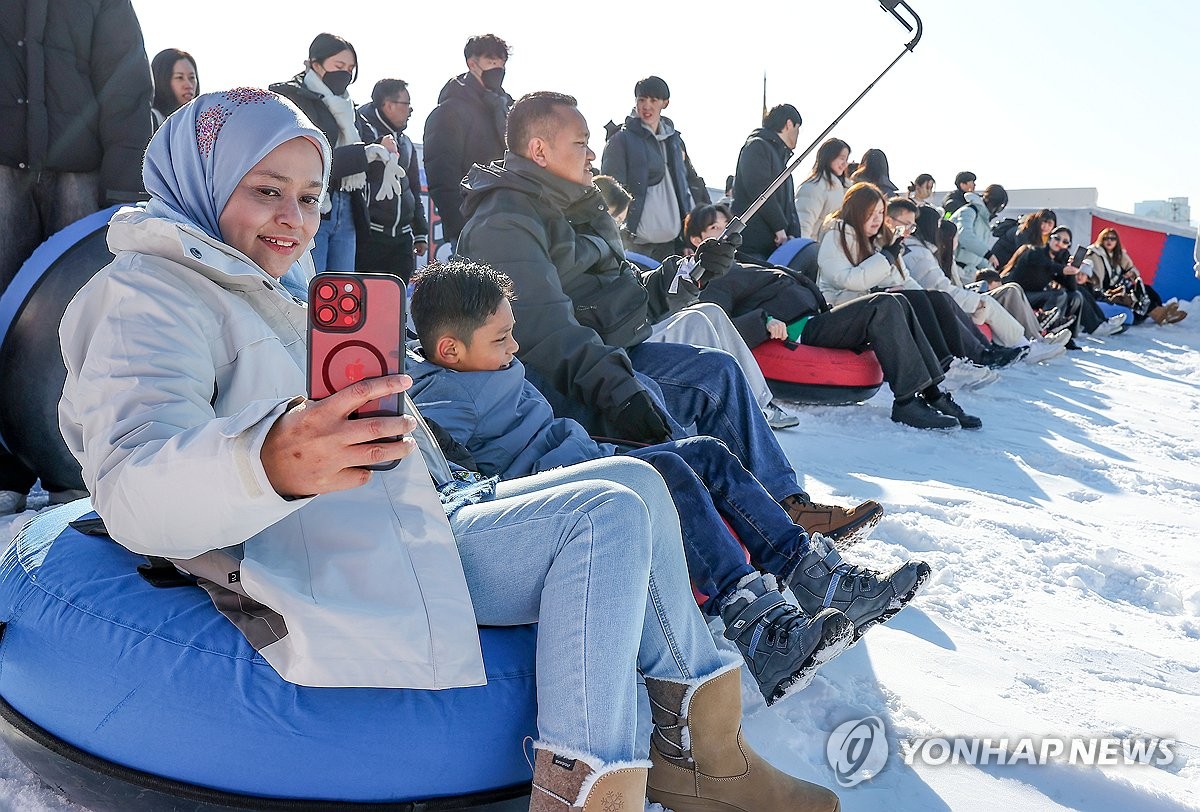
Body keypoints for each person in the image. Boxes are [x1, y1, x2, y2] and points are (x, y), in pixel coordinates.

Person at [56, 88, 841, 812]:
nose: (293, 220)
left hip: (419, 503)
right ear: (202, 175)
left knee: (638, 478)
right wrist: (267, 462)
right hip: (338, 545)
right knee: (602, 516)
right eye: (266, 190)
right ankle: (589, 793)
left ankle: (705, 751)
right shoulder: (149, 295)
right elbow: (130, 483)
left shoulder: (275, 287)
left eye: (307, 198)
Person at [407, 260, 932, 705]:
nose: (515, 346)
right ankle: (758, 626)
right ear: (450, 349)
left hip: (587, 455)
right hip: (557, 491)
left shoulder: (481, 365)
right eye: (502, 339)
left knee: (706, 453)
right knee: (674, 475)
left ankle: (817, 575)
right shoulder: (443, 399)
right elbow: (443, 470)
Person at [457, 91, 882, 541]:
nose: (592, 153)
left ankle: (789, 506)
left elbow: (622, 298)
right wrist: (624, 394)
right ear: (539, 150)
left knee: (718, 370)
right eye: (581, 143)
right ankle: (764, 545)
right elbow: (547, 336)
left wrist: (692, 273)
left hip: (607, 354)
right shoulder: (505, 222)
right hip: (554, 383)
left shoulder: (576, 208)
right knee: (671, 419)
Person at [0, 0, 152, 516]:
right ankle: (5, 469)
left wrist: (124, 187)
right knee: (2, 317)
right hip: (1, 170)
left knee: (81, 320)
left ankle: (75, 461)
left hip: (81, 173)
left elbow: (126, 81)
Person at [688, 203, 977, 429]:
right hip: (800, 332)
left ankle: (934, 394)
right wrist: (762, 322)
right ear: (696, 239)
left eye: (726, 225)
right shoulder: (713, 277)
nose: (724, 233)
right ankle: (906, 402)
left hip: (816, 318)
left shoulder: (746, 261)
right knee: (883, 305)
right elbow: (714, 327)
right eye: (715, 228)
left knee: (898, 300)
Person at [595, 176, 799, 429]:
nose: (619, 227)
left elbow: (643, 288)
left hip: (634, 325)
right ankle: (729, 412)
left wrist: (695, 270)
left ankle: (759, 403)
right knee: (696, 320)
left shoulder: (612, 250)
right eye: (616, 219)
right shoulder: (587, 251)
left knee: (710, 311)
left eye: (622, 221)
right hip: (616, 343)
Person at [270, 33, 388, 282]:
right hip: (310, 207)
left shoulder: (350, 108)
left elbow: (365, 152)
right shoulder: (291, 99)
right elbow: (306, 160)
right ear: (315, 63)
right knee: (309, 289)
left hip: (347, 209)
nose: (345, 73)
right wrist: (362, 155)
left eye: (350, 69)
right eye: (338, 66)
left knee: (342, 291)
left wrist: (382, 153)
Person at [904, 206, 1067, 363]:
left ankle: (1035, 340)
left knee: (1011, 289)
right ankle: (1027, 345)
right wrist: (977, 296)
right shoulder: (923, 254)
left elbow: (954, 283)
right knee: (1002, 294)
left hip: (958, 295)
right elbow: (942, 289)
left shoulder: (933, 254)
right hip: (947, 301)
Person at [601, 76, 710, 261]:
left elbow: (689, 181)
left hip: (673, 243)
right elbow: (610, 189)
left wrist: (695, 228)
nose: (646, 106)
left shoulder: (675, 141)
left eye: (653, 100)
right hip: (635, 242)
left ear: (665, 103)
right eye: (641, 100)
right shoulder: (621, 140)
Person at [423, 34, 513, 248]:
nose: (498, 68)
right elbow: (441, 172)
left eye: (502, 62)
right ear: (472, 63)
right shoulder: (450, 110)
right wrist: (460, 225)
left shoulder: (509, 108)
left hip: (512, 220)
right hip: (472, 223)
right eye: (491, 61)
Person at [355, 78, 429, 282]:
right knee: (364, 305)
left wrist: (420, 231)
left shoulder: (405, 143)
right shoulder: (360, 131)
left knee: (395, 306)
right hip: (369, 237)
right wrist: (377, 146)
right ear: (388, 105)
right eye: (407, 104)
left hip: (402, 240)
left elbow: (413, 189)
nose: (411, 110)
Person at [1002, 226, 1126, 337]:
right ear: (1050, 238)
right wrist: (1064, 269)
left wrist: (1072, 270)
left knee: (1077, 293)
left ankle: (1086, 329)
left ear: (1068, 246)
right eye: (1057, 238)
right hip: (1018, 295)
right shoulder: (1035, 252)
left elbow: (1071, 287)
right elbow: (1046, 265)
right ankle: (1042, 330)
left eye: (1065, 241)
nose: (1060, 243)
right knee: (1059, 294)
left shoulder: (1057, 259)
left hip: (1035, 296)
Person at [730, 104, 803, 260]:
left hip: (774, 247)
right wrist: (780, 228)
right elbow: (759, 190)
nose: (798, 134)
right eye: (798, 128)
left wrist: (793, 236)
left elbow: (788, 205)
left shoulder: (780, 159)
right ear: (789, 124)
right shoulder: (757, 146)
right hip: (754, 245)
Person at [1086, 227, 1183, 325]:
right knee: (1134, 296)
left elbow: (1132, 269)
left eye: (1113, 238)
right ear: (1101, 239)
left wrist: (1131, 273)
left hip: (1120, 287)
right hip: (1105, 291)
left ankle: (1162, 311)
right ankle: (1159, 314)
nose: (1109, 241)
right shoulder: (1094, 253)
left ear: (1117, 241)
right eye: (1106, 238)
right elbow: (1086, 268)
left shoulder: (1119, 255)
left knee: (1146, 289)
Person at [793, 137, 850, 239]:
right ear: (830, 157)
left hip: (830, 251)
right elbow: (803, 223)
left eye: (846, 160)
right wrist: (804, 249)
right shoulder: (814, 186)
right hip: (814, 249)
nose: (844, 164)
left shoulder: (844, 188)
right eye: (841, 158)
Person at [150, 48, 198, 128]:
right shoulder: (151, 120)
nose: (189, 85)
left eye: (191, 78)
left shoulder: (197, 125)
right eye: (179, 77)